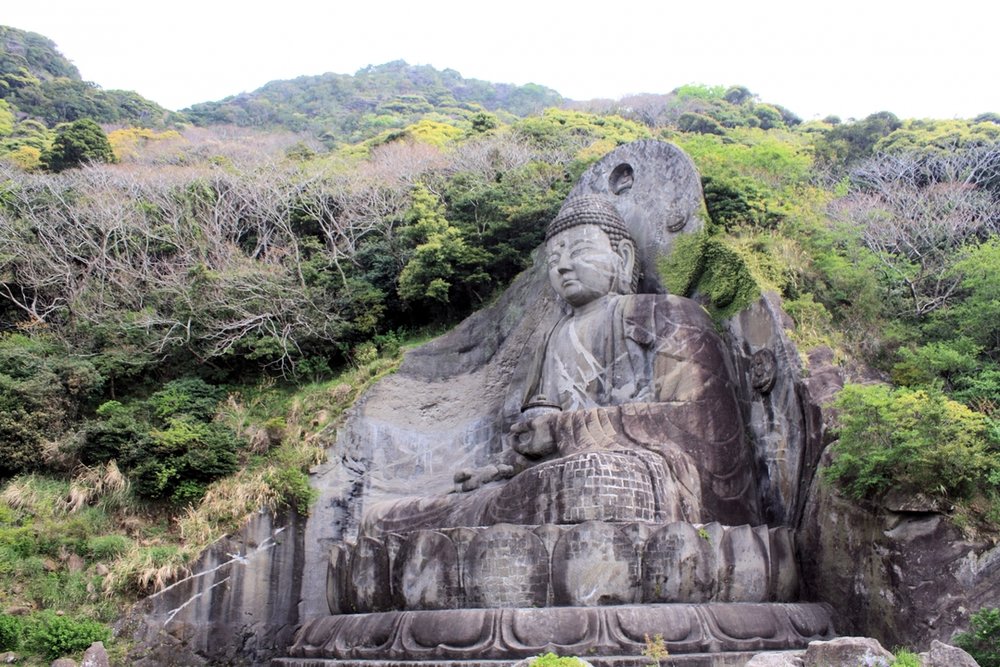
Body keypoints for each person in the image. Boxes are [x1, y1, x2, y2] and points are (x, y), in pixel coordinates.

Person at [361, 195, 759, 534]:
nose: (563, 266)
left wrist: (562, 430)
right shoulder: (552, 338)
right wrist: (502, 466)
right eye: (554, 258)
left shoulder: (666, 314)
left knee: (592, 482)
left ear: (621, 256)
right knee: (384, 519)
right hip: (545, 483)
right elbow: (536, 434)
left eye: (580, 250)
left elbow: (705, 424)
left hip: (633, 477)